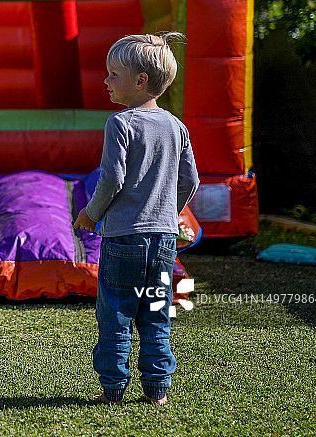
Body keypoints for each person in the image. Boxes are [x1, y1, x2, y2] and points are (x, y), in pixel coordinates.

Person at [73, 32, 199, 406]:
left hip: (124, 238)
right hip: (163, 240)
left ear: (140, 80)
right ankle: (157, 390)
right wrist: (169, 212)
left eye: (113, 74)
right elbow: (190, 179)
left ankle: (112, 388)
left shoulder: (121, 123)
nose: (106, 81)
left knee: (116, 313)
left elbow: (112, 178)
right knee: (156, 313)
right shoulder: (177, 127)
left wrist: (89, 213)